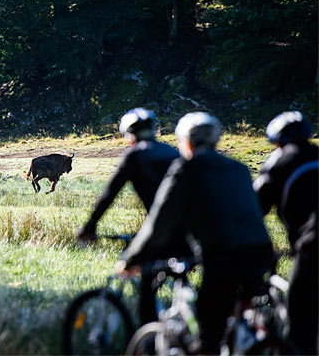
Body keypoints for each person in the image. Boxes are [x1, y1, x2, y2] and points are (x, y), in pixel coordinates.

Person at [116, 112, 274, 354]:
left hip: (222, 256)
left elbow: (158, 225)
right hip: (262, 253)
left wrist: (131, 259)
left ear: (186, 142)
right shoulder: (239, 168)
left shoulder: (185, 169)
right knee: (239, 313)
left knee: (209, 330)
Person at [77, 107, 180, 325]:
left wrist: (89, 227)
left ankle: (148, 341)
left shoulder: (134, 155)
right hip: (193, 230)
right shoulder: (173, 152)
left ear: (128, 134)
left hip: (160, 230)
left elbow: (109, 195)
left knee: (146, 284)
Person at [253, 111, 318, 355]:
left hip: (313, 244)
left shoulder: (279, 162)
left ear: (277, 141)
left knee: (300, 312)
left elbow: (253, 209)